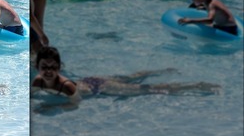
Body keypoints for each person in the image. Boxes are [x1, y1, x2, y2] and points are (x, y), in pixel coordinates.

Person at [31, 46, 220, 104]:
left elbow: (75, 102)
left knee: (151, 89)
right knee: (132, 76)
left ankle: (197, 85)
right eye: (44, 67)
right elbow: (30, 93)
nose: (48, 71)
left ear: (59, 68)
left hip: (102, 87)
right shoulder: (38, 81)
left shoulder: (66, 85)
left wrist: (50, 108)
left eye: (53, 68)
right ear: (37, 66)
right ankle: (158, 72)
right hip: (92, 79)